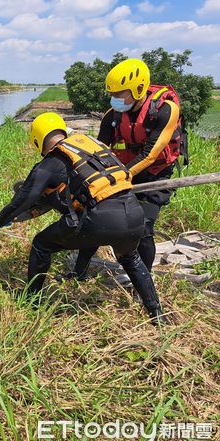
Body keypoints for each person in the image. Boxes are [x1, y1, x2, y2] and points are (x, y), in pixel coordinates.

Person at [0, 112, 167, 325]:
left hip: (100, 220)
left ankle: (32, 301)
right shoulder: (90, 146)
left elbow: (23, 199)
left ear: (38, 140)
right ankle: (157, 314)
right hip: (134, 214)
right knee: (131, 258)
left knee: (41, 244)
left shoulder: (52, 161)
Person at [73, 58, 183, 277]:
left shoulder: (165, 110)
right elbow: (99, 152)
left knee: (143, 228)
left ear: (139, 88)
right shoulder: (111, 116)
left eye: (120, 94)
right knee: (95, 214)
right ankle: (79, 272)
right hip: (124, 171)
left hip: (155, 174)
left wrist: (116, 179)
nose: (115, 99)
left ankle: (142, 279)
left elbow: (149, 156)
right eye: (112, 94)